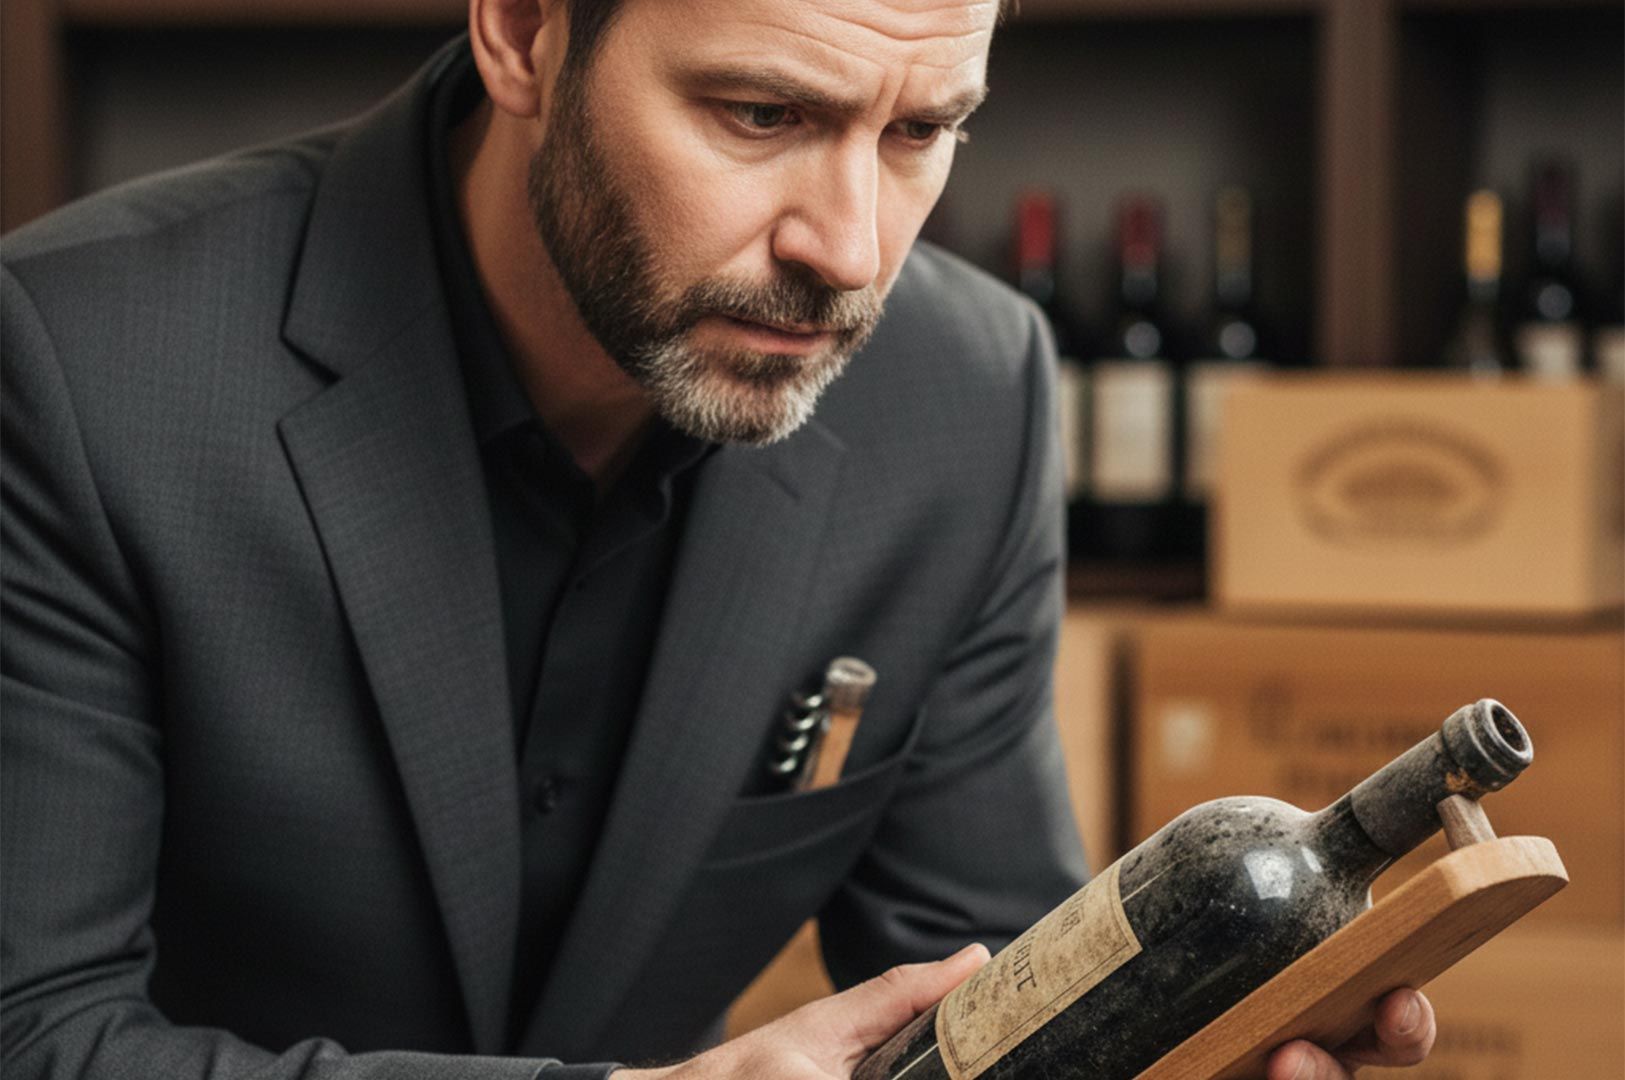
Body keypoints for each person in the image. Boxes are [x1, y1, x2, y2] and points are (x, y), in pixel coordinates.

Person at [0, 1, 1437, 1078]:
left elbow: (980, 989)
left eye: (919, 133)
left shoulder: (966, 392)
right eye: (760, 113)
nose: (851, 250)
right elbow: (33, 1034)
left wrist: (1168, 1045)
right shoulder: (75, 359)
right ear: (523, 33)